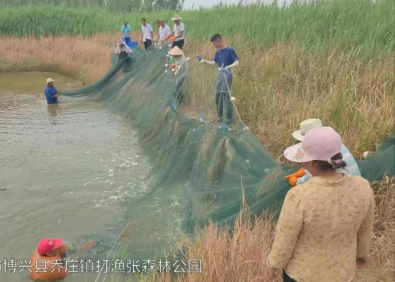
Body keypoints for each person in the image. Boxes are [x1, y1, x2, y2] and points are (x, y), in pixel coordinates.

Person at [266, 127, 375, 282]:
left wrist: (273, 264)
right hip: (342, 273)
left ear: (312, 162)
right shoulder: (363, 187)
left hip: (303, 274)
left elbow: (285, 239)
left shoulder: (299, 196)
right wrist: (361, 254)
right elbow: (365, 228)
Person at [284, 118, 361, 186]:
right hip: (356, 183)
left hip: (345, 188)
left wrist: (297, 181)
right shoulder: (336, 144)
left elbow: (320, 171)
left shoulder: (319, 156)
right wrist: (304, 171)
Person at [199, 34, 239, 124]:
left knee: (225, 96)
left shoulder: (230, 50)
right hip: (220, 76)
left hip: (227, 76)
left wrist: (227, 67)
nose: (214, 46)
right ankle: (221, 117)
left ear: (219, 41)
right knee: (218, 96)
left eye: (214, 44)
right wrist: (204, 61)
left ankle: (228, 119)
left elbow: (237, 62)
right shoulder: (218, 52)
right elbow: (214, 63)